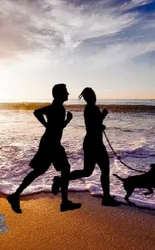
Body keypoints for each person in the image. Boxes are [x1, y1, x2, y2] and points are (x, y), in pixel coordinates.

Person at [7, 84, 81, 213]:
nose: (68, 94)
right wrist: (53, 123)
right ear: (58, 94)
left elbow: (43, 117)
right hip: (51, 144)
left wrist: (51, 124)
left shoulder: (57, 107)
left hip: (50, 143)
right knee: (62, 169)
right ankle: (63, 202)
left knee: (40, 171)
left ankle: (16, 195)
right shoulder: (57, 108)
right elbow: (42, 116)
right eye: (65, 92)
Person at [52, 87, 120, 207]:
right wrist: (102, 122)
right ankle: (106, 198)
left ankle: (61, 180)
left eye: (93, 94)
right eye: (91, 95)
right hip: (95, 143)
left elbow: (95, 123)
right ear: (88, 98)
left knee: (87, 171)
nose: (94, 97)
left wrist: (101, 119)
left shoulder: (90, 108)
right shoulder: (92, 108)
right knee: (104, 170)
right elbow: (93, 127)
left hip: (90, 143)